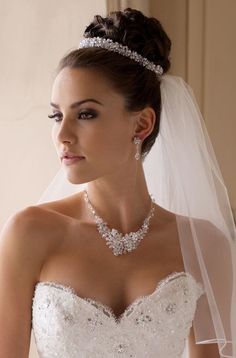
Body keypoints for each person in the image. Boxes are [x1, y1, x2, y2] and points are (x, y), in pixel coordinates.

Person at [0, 7, 235, 358]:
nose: (62, 134)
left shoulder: (205, 246)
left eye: (86, 114)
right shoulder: (30, 233)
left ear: (141, 124)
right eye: (56, 115)